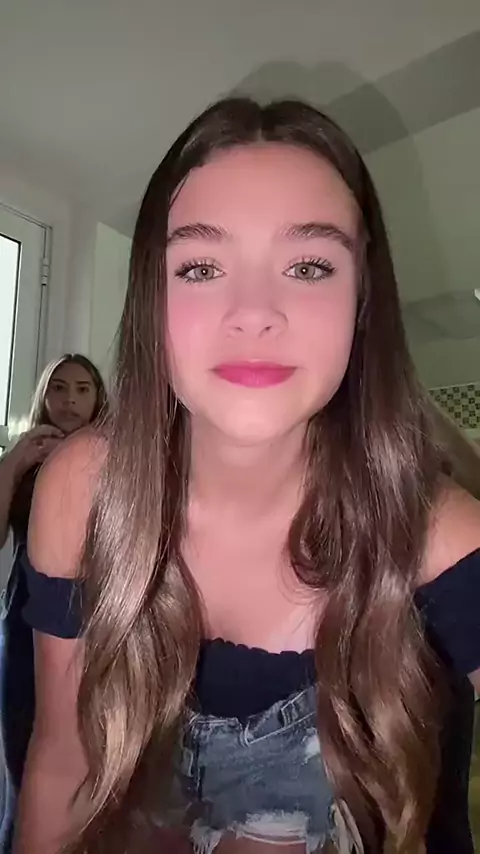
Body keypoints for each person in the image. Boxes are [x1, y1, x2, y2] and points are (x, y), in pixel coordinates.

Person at [13, 98, 480, 854]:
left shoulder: (438, 537)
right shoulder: (83, 490)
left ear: (362, 301)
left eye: (308, 266)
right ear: (151, 297)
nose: (255, 312)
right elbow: (62, 762)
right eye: (200, 267)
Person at [0, 354, 107, 849]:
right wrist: (14, 463)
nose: (70, 400)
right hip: (24, 629)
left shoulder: (111, 456)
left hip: (96, 631)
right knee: (24, 763)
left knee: (90, 767)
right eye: (59, 388)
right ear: (43, 396)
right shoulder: (26, 458)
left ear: (98, 398)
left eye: (83, 389)